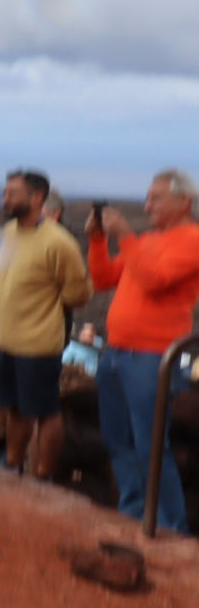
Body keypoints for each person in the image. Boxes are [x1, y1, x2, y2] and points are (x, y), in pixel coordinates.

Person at [86, 169, 199, 533]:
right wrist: (98, 241)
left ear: (184, 201)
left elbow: (154, 280)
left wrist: (125, 236)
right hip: (116, 353)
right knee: (117, 438)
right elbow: (103, 279)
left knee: (151, 446)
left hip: (152, 359)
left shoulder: (192, 239)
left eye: (156, 197)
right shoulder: (147, 240)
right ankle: (134, 511)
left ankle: (169, 525)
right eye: (147, 196)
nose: (146, 204)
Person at [0, 169, 93, 479]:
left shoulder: (58, 242)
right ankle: (12, 462)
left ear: (36, 198)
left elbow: (79, 292)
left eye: (13, 193)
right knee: (13, 407)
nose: (5, 198)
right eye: (5, 192)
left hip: (38, 345)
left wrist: (43, 308)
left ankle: (43, 475)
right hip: (5, 339)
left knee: (46, 412)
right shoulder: (8, 233)